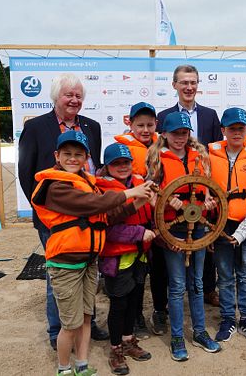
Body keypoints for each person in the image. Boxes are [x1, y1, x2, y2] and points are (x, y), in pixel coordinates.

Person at [30, 131, 155, 376]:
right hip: (65, 263)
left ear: (87, 157)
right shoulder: (56, 186)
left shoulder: (88, 183)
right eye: (67, 154)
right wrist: (132, 192)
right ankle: (64, 369)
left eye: (79, 154)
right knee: (70, 323)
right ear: (57, 155)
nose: (73, 158)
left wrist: (139, 201)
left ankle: (83, 365)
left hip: (89, 261)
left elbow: (107, 216)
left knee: (87, 317)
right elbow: (91, 204)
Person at [18, 73, 108, 349]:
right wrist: (47, 210)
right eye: (69, 94)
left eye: (79, 95)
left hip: (89, 218)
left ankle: (86, 325)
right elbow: (26, 175)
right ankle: (57, 331)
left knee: (88, 272)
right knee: (57, 275)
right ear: (56, 97)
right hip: (56, 221)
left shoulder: (91, 127)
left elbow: (95, 169)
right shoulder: (35, 128)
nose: (74, 100)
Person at [146, 111, 221, 361]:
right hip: (171, 229)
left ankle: (199, 332)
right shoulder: (158, 159)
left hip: (198, 228)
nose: (180, 137)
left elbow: (209, 189)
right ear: (164, 134)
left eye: (184, 132)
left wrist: (209, 203)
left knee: (197, 283)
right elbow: (152, 194)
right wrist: (172, 203)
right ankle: (178, 336)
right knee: (177, 286)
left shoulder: (200, 157)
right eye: (175, 133)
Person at [156, 65, 223, 308]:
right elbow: (156, 158)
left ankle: (207, 290)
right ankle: (165, 304)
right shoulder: (162, 117)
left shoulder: (210, 115)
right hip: (174, 200)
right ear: (174, 85)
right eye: (184, 82)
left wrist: (211, 194)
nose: (189, 87)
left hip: (203, 192)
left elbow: (215, 155)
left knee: (206, 244)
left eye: (193, 82)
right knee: (170, 257)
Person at [97, 143, 156, 374]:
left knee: (135, 302)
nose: (122, 167)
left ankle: (129, 339)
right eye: (116, 163)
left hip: (140, 257)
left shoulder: (141, 184)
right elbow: (107, 228)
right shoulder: (102, 191)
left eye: (126, 162)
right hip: (117, 259)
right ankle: (116, 349)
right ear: (107, 166)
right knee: (119, 305)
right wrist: (140, 233)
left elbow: (151, 217)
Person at [208, 107, 246, 344]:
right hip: (221, 227)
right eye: (232, 128)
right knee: (224, 275)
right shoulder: (211, 157)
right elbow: (205, 193)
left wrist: (241, 233)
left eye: (241, 128)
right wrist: (213, 224)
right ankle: (227, 318)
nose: (236, 133)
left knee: (244, 273)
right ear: (223, 130)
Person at [114, 102, 160, 338]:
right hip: (131, 219)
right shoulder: (121, 150)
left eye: (149, 125)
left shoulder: (163, 145)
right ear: (129, 124)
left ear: (156, 125)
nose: (145, 129)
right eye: (140, 125)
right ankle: (136, 317)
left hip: (157, 219)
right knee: (131, 274)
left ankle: (155, 312)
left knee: (151, 271)